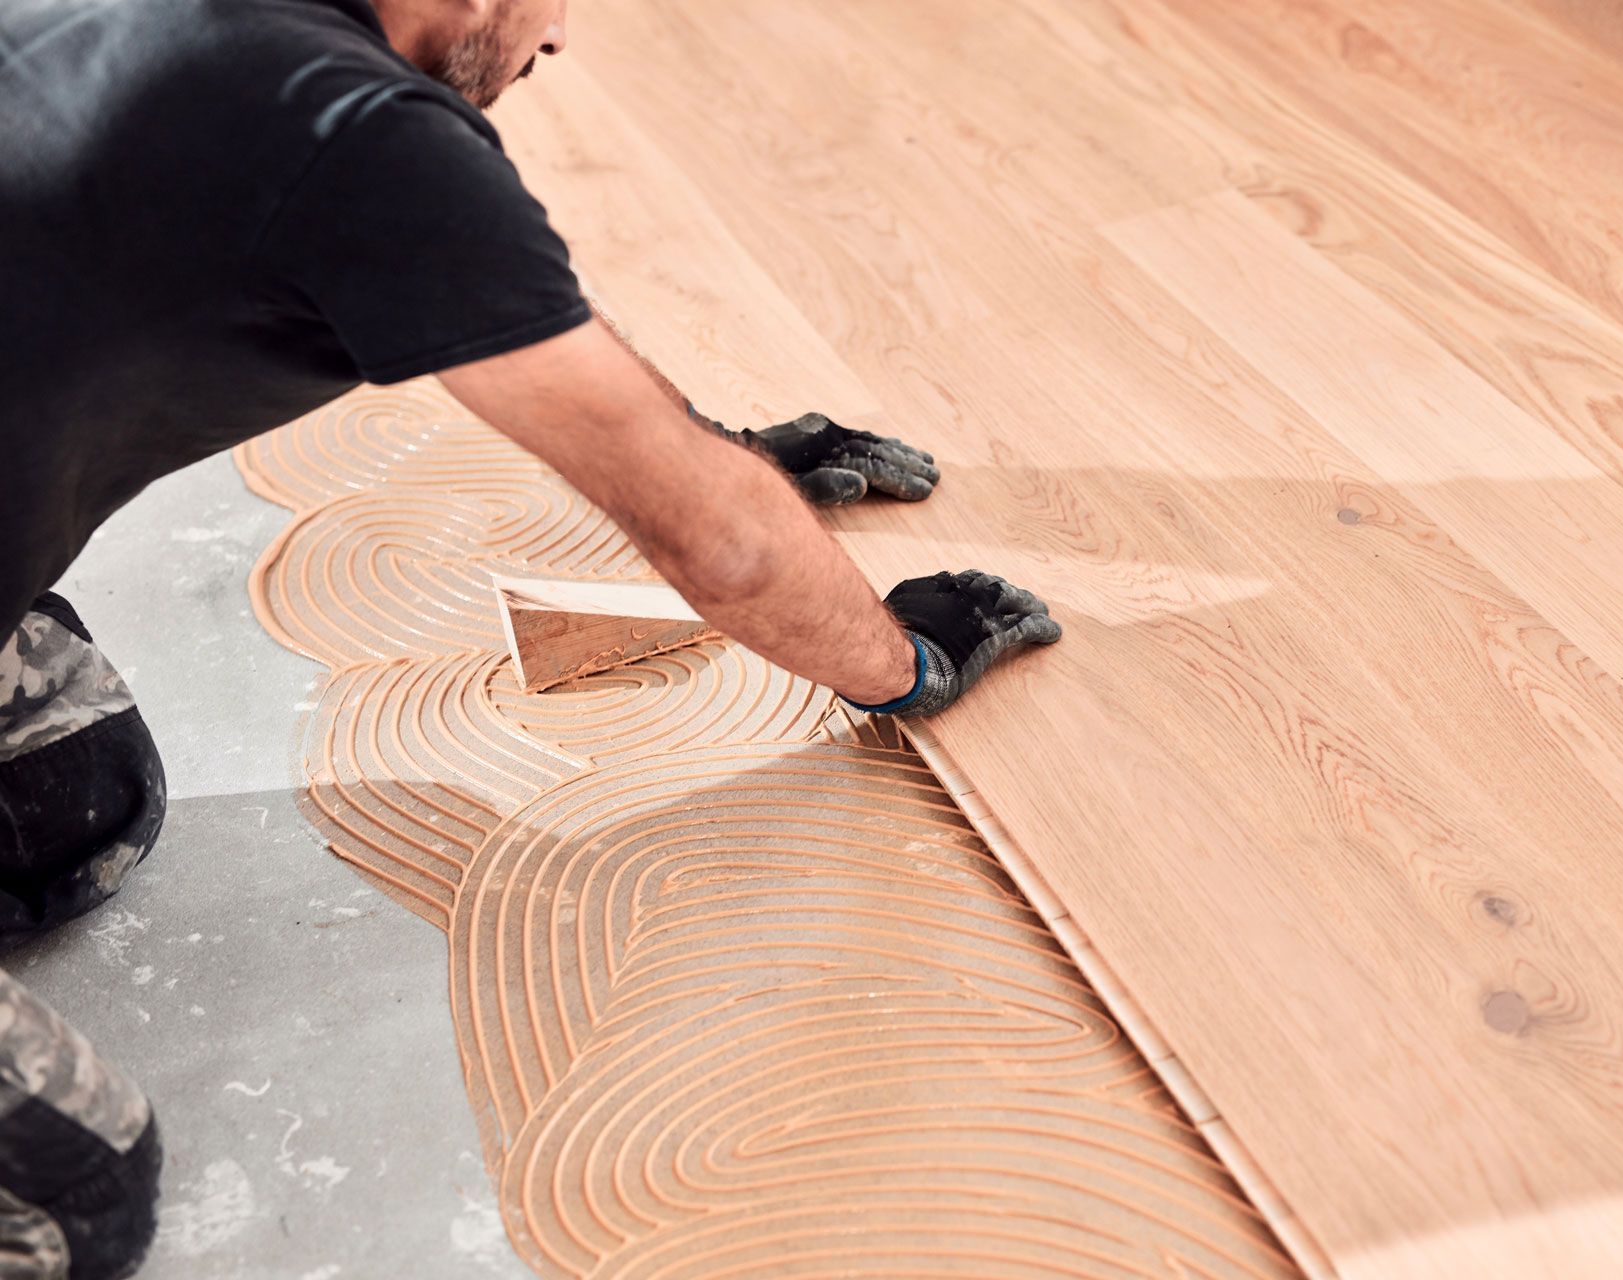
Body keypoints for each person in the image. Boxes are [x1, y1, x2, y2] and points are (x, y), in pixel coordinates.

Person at [0, 0, 1062, 1273]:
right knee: (75, 1196)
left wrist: (708, 453)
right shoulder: (356, 135)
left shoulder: (211, 46)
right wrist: (902, 659)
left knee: (79, 806)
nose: (555, 41)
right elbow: (717, 549)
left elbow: (518, 337)